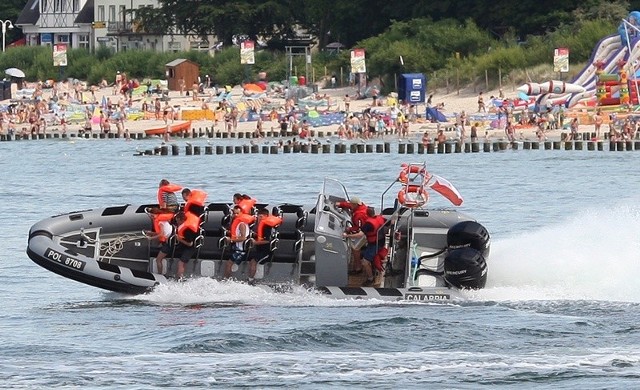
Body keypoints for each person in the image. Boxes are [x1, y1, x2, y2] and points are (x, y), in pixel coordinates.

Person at [343, 207, 387, 286]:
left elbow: (360, 235)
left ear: (367, 214)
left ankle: (371, 278)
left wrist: (347, 235)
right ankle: (362, 267)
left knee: (365, 262)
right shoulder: (381, 218)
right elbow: (390, 223)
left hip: (375, 245)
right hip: (381, 241)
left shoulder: (368, 224)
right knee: (361, 249)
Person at [248, 208, 283, 285]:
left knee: (253, 261)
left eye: (261, 217)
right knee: (250, 259)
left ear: (266, 216)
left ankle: (251, 280)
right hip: (260, 250)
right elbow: (261, 236)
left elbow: (267, 240)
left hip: (266, 252)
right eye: (258, 217)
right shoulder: (262, 226)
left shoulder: (267, 227)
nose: (259, 218)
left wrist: (255, 243)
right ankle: (250, 278)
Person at [336, 196, 368, 274]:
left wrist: (349, 229)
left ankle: (358, 268)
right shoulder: (361, 206)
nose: (351, 205)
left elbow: (359, 228)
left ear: (355, 205)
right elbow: (348, 205)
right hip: (365, 229)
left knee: (355, 248)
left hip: (366, 233)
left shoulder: (359, 214)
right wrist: (340, 204)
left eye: (352, 204)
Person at [224, 205, 255, 278]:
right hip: (237, 247)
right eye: (234, 213)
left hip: (241, 250)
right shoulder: (238, 223)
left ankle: (225, 280)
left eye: (237, 213)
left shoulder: (242, 224)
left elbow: (243, 238)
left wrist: (230, 240)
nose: (235, 215)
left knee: (229, 264)